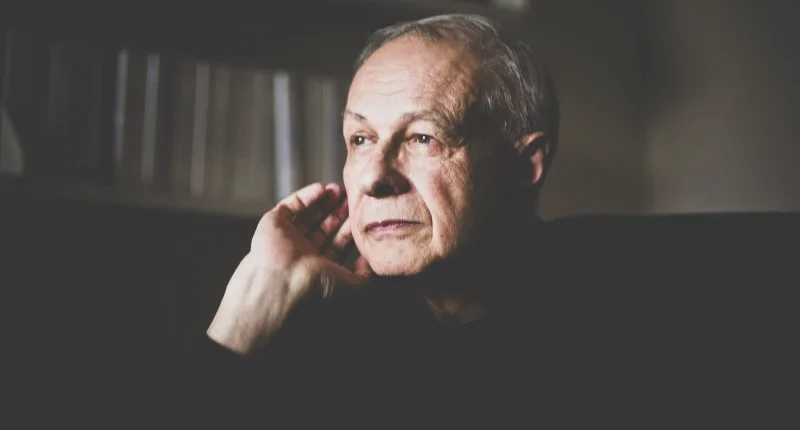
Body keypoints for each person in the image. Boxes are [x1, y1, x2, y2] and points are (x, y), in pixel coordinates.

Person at [132, 13, 791, 429]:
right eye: (360, 139)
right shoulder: (316, 328)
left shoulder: (650, 331)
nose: (376, 176)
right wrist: (250, 307)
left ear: (525, 164)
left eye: (422, 137)